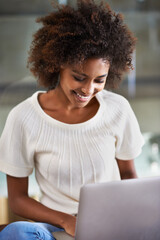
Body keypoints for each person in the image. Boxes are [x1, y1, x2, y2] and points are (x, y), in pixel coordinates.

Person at [0, 0, 144, 239]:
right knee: (18, 233)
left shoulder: (118, 110)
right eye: (79, 77)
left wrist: (136, 216)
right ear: (58, 65)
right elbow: (17, 199)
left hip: (110, 224)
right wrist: (67, 221)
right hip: (54, 227)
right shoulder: (23, 118)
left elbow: (128, 176)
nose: (88, 89)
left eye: (100, 80)